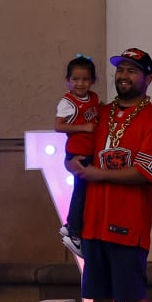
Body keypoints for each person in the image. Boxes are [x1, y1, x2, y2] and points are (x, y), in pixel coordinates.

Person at [68, 48, 152, 302]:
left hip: (129, 222)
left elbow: (145, 172)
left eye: (132, 70)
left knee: (135, 294)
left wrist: (97, 173)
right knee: (98, 295)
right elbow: (76, 149)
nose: (124, 76)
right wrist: (75, 163)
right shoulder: (99, 113)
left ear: (148, 78)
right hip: (94, 219)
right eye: (120, 69)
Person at [55, 55, 99, 259]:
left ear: (92, 81)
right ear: (68, 80)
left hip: (91, 152)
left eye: (85, 79)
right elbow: (58, 125)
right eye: (75, 79)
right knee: (81, 191)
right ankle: (74, 232)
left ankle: (72, 225)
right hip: (77, 153)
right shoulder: (68, 102)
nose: (80, 84)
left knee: (88, 192)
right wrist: (83, 127)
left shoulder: (93, 98)